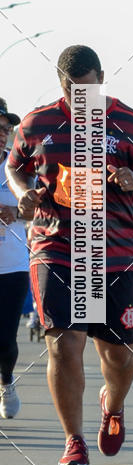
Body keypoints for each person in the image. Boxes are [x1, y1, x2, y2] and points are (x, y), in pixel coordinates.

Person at [6, 46, 133, 465]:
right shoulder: (38, 123)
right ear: (61, 84)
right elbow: (15, 165)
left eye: (88, 88)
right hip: (56, 247)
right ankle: (73, 440)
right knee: (63, 344)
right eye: (71, 89)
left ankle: (112, 405)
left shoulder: (128, 122)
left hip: (113, 254)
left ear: (102, 76)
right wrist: (24, 193)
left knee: (119, 355)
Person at [0, 99, 29, 419]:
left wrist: (16, 211)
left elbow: (40, 207)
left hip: (12, 265)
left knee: (5, 340)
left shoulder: (19, 166)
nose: (3, 134)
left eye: (7, 129)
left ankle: (6, 380)